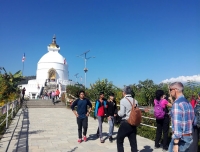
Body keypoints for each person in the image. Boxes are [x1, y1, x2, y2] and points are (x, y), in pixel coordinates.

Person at [168, 82, 194, 152]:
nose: (170, 92)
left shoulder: (177, 104)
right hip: (188, 137)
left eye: (170, 90)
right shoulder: (188, 103)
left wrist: (176, 144)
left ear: (175, 90)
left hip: (180, 139)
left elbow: (177, 125)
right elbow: (192, 119)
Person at [117, 86, 139, 152]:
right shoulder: (136, 101)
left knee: (119, 141)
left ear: (124, 92)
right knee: (133, 143)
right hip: (133, 123)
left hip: (125, 123)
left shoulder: (123, 100)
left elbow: (122, 113)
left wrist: (117, 112)